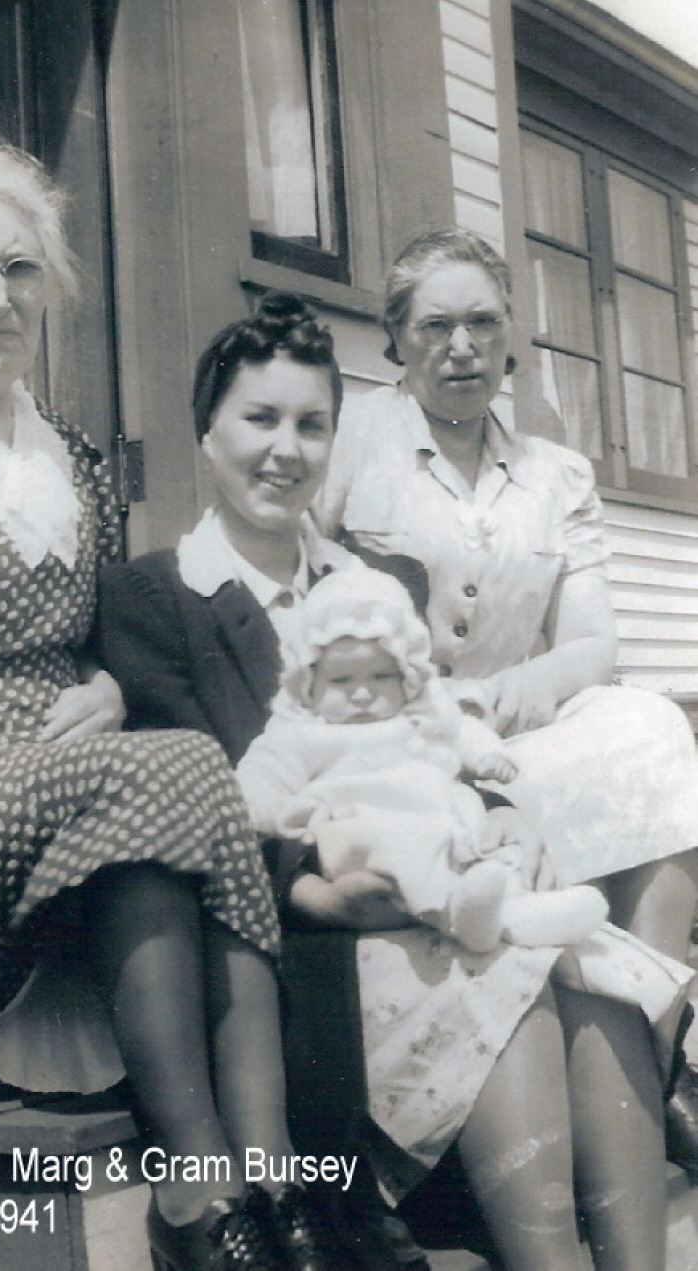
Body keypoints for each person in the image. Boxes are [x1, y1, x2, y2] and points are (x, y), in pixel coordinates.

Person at [0, 115, 348, 1271]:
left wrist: (97, 682)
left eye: (17, 268)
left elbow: (92, 634)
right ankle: (199, 1189)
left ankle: (269, 1184)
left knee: (176, 765)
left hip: (60, 778)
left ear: (50, 287)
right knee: (173, 766)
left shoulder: (68, 455)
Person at [98, 290, 694, 1271]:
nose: (283, 449)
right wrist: (354, 881)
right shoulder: (153, 596)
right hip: (301, 933)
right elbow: (204, 812)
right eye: (258, 419)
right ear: (206, 432)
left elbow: (440, 724)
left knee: (597, 972)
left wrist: (501, 814)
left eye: (310, 423)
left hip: (447, 887)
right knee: (518, 975)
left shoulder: (380, 581)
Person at [315, 227, 698, 1176]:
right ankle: (653, 1083)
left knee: (651, 724)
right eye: (436, 325)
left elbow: (595, 643)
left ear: (511, 338)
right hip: (391, 739)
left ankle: (653, 1051)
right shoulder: (350, 437)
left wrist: (502, 696)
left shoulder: (556, 473)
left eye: (484, 323)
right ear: (394, 338)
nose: (462, 347)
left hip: (509, 734)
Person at [235, 566, 609, 953]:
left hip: (442, 820)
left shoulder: (419, 715)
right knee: (397, 847)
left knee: (496, 844)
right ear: (309, 682)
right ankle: (459, 916)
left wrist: (486, 756)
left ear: (406, 677)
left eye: (380, 677)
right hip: (366, 829)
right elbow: (263, 774)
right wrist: (263, 808)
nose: (362, 694)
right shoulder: (302, 732)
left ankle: (517, 912)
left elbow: (460, 730)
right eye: (342, 681)